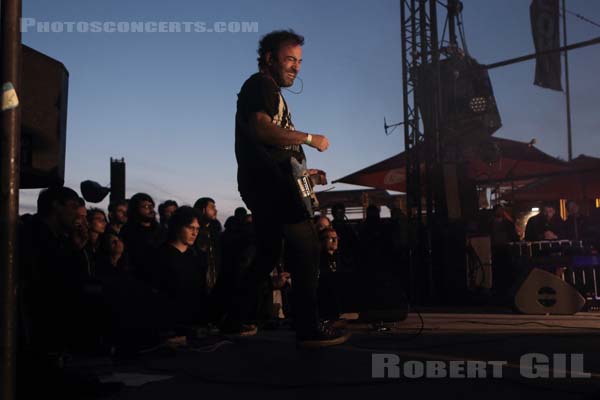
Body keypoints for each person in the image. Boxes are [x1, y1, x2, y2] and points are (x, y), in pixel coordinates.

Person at [231, 29, 349, 347]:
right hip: (272, 187)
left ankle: (233, 316)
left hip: (275, 182)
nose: (296, 67)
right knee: (308, 248)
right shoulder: (260, 85)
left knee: (268, 254)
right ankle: (308, 327)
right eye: (289, 59)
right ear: (269, 59)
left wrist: (306, 174)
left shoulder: (272, 92)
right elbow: (261, 128)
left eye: (299, 61)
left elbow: (276, 145)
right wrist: (310, 138)